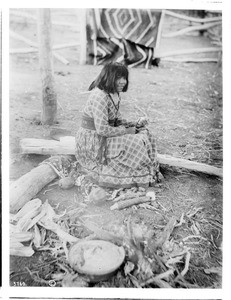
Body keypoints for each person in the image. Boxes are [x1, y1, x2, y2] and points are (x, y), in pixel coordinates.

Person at [75, 62, 162, 189]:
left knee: (144, 133)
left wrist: (135, 124)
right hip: (95, 140)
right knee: (135, 142)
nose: (123, 82)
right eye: (118, 78)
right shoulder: (100, 96)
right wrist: (126, 131)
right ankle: (135, 177)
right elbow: (102, 129)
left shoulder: (113, 93)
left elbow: (117, 120)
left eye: (124, 78)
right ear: (108, 78)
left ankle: (150, 172)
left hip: (105, 133)